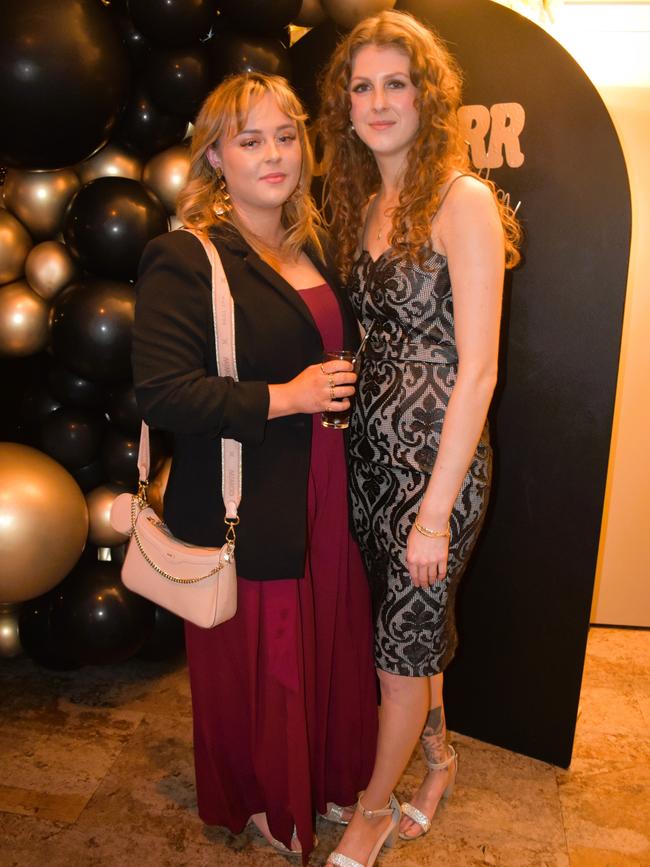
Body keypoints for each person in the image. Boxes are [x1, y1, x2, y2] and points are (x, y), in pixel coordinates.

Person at [132, 71, 378, 863]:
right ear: (215, 157)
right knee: (269, 659)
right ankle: (271, 798)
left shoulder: (312, 242)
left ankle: (329, 775)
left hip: (325, 480)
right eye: (249, 140)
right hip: (253, 493)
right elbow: (165, 393)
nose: (273, 154)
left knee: (328, 637)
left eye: (286, 135)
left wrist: (333, 392)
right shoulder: (186, 255)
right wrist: (289, 395)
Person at [318, 10, 521, 866]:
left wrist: (435, 510)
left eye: (394, 82)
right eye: (361, 86)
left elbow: (478, 370)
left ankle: (372, 812)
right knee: (406, 633)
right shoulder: (370, 199)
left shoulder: (461, 197)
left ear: (426, 94)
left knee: (401, 651)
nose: (376, 100)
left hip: (435, 471)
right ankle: (437, 762)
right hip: (369, 459)